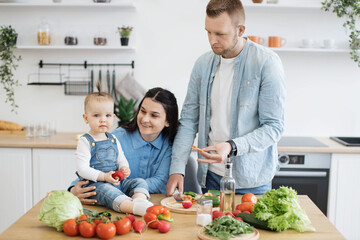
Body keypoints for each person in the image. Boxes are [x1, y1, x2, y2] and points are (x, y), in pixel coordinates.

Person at [166, 0, 285, 196]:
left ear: (240, 30)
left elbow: (274, 126)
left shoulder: (266, 63)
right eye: (208, 32)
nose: (212, 40)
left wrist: (231, 146)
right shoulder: (202, 64)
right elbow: (188, 121)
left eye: (220, 34)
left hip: (252, 181)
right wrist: (177, 169)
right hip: (210, 177)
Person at [70, 87, 179, 206]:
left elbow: (161, 182)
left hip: (148, 203)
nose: (145, 119)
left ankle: (137, 204)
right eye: (142, 111)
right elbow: (89, 171)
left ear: (168, 121)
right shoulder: (115, 137)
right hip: (111, 201)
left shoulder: (170, 145)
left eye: (154, 115)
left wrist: (134, 188)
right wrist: (73, 190)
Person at [75, 82, 153, 216]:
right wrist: (104, 176)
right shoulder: (85, 141)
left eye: (107, 115)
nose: (103, 120)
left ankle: (139, 200)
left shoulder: (113, 138)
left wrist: (124, 168)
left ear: (113, 117)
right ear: (85, 118)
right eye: (96, 115)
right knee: (107, 190)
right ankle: (132, 207)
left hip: (116, 181)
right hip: (96, 185)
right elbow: (82, 169)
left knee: (139, 181)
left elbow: (120, 158)